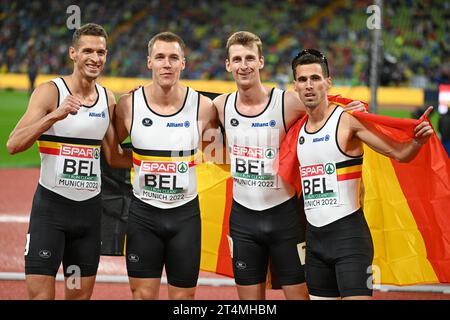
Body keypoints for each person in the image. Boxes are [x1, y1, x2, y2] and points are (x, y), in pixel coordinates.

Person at [212, 31, 366, 300]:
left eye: (250, 58)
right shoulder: (220, 105)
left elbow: (323, 107)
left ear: (261, 61)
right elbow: (187, 113)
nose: (243, 65)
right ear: (228, 65)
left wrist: (352, 109)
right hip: (243, 220)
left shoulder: (286, 102)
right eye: (237, 59)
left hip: (284, 218)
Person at [290, 49, 433, 299]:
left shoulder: (347, 121)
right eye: (302, 80)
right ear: (295, 87)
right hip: (313, 242)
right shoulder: (296, 128)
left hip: (350, 239)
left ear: (328, 82)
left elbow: (399, 154)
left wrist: (417, 141)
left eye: (315, 78)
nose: (309, 85)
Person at [6, 23, 130, 300]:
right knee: (40, 297)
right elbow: (14, 144)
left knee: (78, 297)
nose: (94, 58)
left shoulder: (106, 99)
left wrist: (168, 155)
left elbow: (114, 156)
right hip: (51, 211)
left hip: (88, 216)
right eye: (87, 50)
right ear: (73, 53)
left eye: (100, 52)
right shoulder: (51, 92)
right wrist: (54, 116)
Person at [114, 32, 217, 300]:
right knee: (142, 296)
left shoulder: (203, 107)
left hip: (185, 217)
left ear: (184, 63)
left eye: (174, 58)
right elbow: (111, 155)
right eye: (160, 57)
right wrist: (146, 163)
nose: (167, 64)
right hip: (143, 216)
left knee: (183, 300)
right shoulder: (128, 105)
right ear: (149, 62)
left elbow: (217, 155)